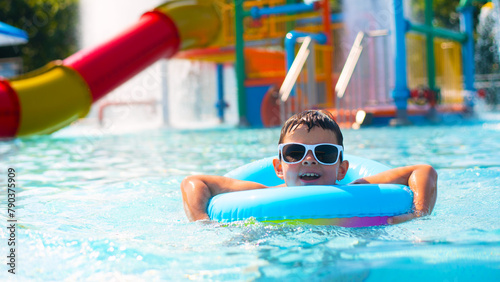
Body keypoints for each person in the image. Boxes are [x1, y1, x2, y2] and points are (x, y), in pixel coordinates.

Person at [181, 110, 437, 224]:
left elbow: (423, 171)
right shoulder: (263, 192)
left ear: (341, 169)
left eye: (324, 153)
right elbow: (194, 183)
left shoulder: (357, 190)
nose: (309, 160)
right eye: (295, 153)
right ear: (279, 168)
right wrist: (203, 223)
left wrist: (419, 213)